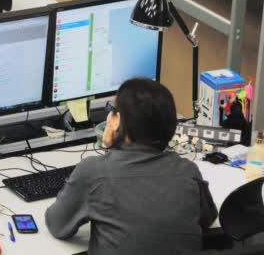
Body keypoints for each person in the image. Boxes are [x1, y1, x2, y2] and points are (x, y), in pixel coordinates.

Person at [45, 78, 218, 255]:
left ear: (116, 121)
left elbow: (57, 224)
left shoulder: (93, 172)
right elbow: (207, 219)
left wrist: (111, 151)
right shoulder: (187, 171)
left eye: (112, 111)